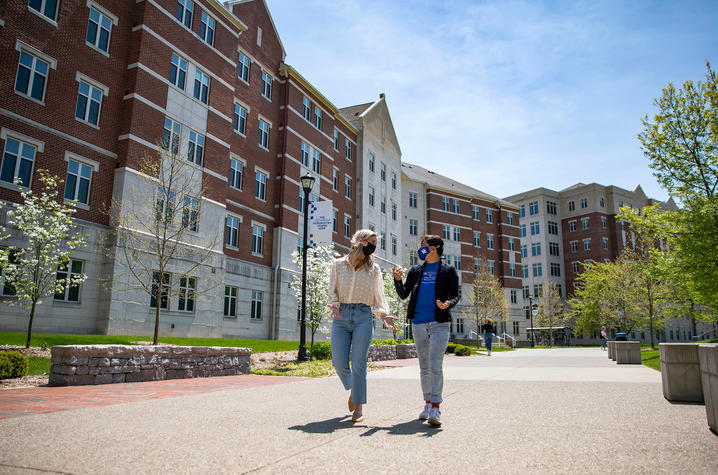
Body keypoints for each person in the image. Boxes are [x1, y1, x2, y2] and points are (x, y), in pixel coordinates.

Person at [328, 229, 397, 423]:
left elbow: (378, 296)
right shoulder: (338, 265)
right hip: (341, 316)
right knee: (339, 362)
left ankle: (358, 408)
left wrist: (384, 315)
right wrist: (333, 306)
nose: (373, 246)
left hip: (363, 317)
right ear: (359, 241)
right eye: (371, 241)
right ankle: (353, 389)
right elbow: (332, 289)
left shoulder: (373, 269)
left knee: (359, 364)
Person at [392, 235, 460, 427]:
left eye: (424, 246)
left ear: (435, 247)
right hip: (418, 322)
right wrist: (397, 280)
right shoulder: (416, 270)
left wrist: (448, 304)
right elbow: (404, 294)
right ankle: (427, 403)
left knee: (435, 364)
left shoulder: (448, 270)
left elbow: (455, 295)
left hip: (439, 322)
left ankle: (436, 407)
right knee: (424, 366)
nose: (421, 249)